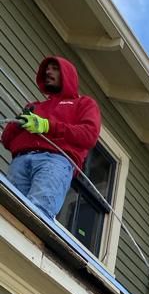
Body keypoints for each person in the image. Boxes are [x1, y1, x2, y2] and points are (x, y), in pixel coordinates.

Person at [1, 56, 101, 219]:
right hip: (20, 160)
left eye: (55, 68)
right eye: (47, 69)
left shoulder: (83, 103)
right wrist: (19, 122)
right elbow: (6, 140)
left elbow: (89, 135)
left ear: (67, 74)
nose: (48, 71)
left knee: (36, 213)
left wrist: (48, 126)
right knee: (6, 211)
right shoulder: (35, 106)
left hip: (55, 161)